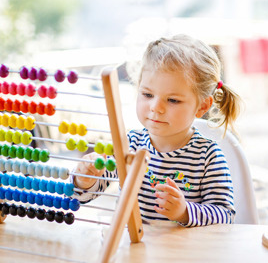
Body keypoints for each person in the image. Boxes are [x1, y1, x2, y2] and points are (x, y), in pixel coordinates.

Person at [72, 34, 241, 227]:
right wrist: (84, 180)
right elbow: (84, 195)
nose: (155, 107)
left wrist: (185, 212)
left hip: (185, 253)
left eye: (172, 100)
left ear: (202, 107)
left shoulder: (208, 157)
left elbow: (225, 215)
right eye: (147, 94)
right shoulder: (130, 144)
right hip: (135, 250)